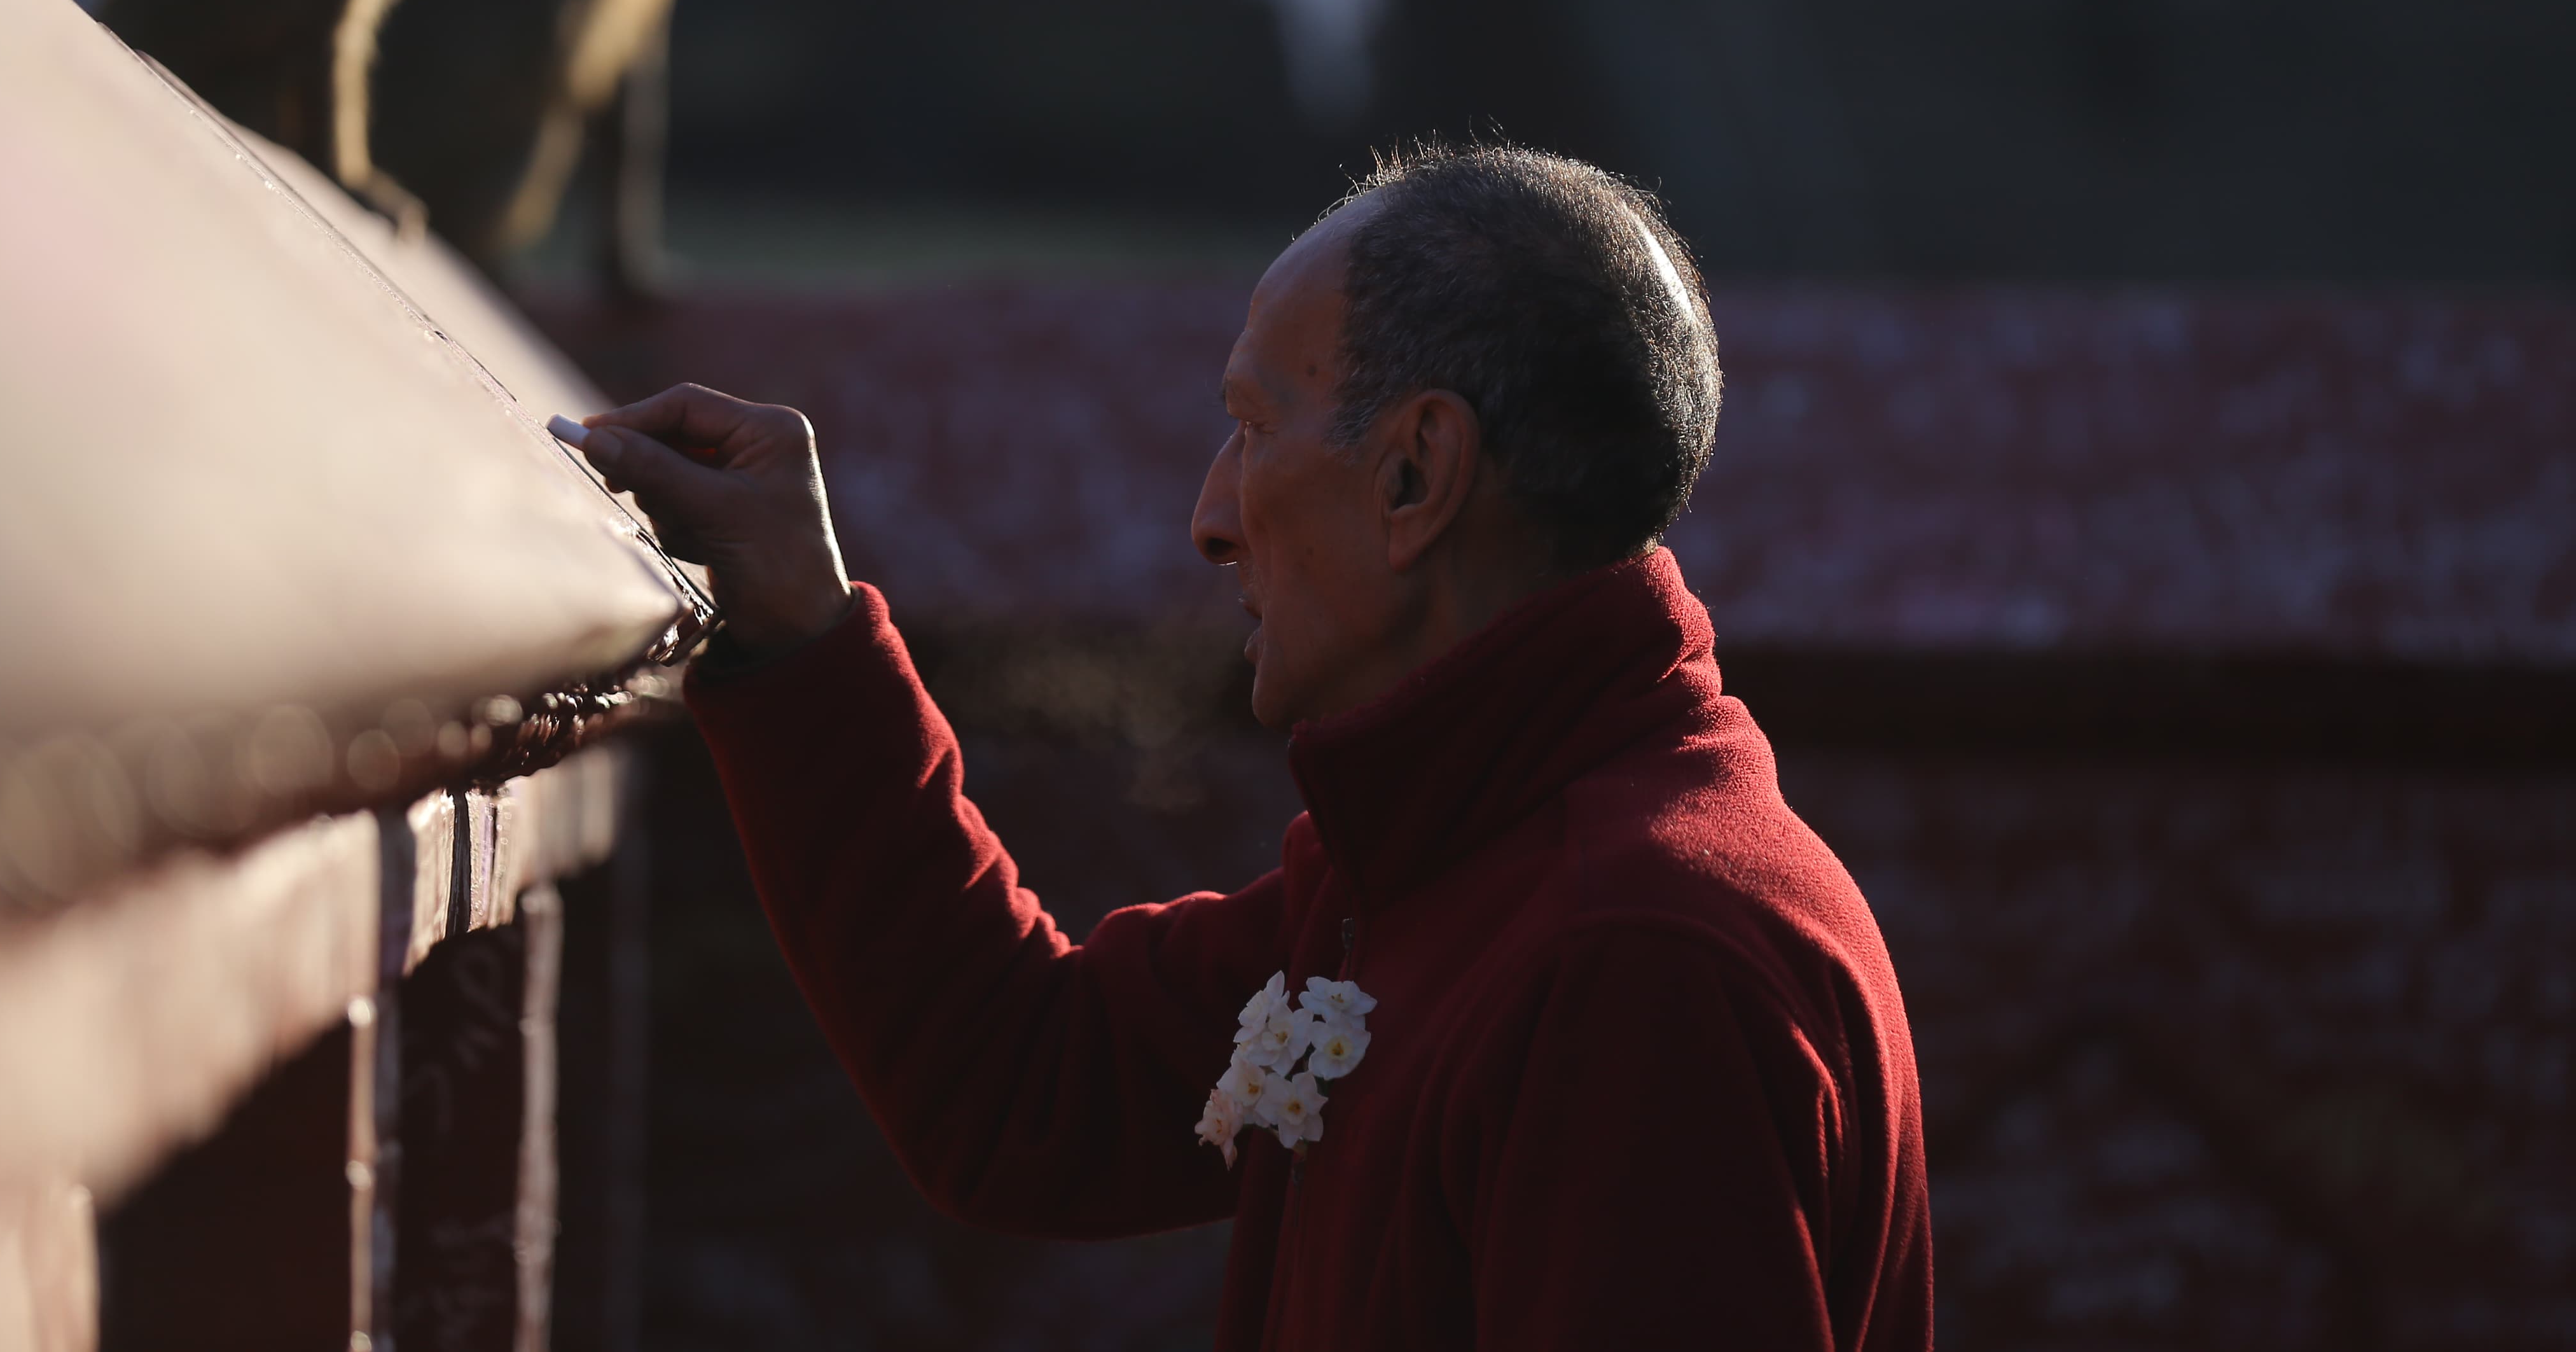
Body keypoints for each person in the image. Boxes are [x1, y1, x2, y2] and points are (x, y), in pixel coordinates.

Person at [574, 143, 1931, 1348]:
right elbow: (1029, 1088)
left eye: (1252, 427)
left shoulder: (1630, 958)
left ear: (1415, 476)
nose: (1211, 518)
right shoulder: (1458, 855)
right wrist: (803, 638)